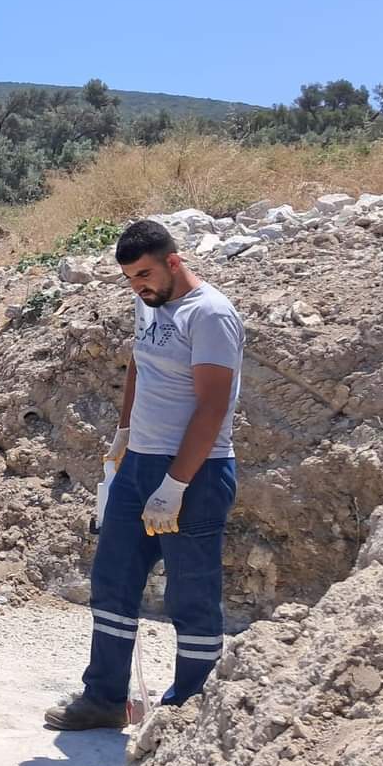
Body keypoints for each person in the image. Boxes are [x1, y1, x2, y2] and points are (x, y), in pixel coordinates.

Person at [44, 220, 245, 730]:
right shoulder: (151, 302)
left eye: (145, 274)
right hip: (138, 465)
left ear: (174, 261)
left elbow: (212, 407)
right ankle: (106, 698)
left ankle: (190, 711)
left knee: (191, 595)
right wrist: (125, 430)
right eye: (131, 279)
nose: (139, 286)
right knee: (113, 580)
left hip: (196, 470)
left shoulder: (211, 315)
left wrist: (175, 485)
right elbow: (141, 363)